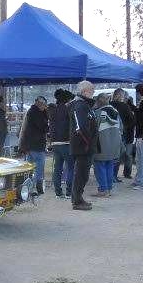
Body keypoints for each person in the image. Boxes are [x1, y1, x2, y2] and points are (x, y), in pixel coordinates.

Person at [69, 80, 99, 211]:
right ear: (84, 91)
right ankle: (76, 200)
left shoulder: (85, 105)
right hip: (82, 146)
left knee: (84, 174)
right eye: (91, 91)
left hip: (86, 146)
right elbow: (80, 127)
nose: (93, 93)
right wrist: (89, 142)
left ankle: (79, 198)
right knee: (81, 174)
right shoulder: (80, 105)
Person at [18, 96, 49, 195]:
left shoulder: (30, 112)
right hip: (37, 144)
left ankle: (27, 188)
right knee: (39, 167)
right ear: (39, 103)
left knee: (29, 168)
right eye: (44, 104)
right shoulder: (37, 113)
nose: (45, 106)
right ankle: (37, 187)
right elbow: (43, 127)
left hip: (28, 144)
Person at [92, 93, 121, 198]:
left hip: (101, 144)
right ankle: (108, 188)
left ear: (99, 101)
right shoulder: (116, 112)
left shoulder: (98, 113)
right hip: (114, 145)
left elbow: (93, 130)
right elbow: (120, 129)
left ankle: (103, 190)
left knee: (100, 166)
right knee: (109, 165)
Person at [49, 89, 74, 198]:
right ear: (67, 99)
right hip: (67, 142)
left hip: (55, 143)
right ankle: (69, 192)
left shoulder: (52, 110)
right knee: (71, 167)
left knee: (57, 168)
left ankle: (58, 193)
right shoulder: (69, 109)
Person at [110, 88, 136, 182]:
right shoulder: (124, 106)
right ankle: (115, 176)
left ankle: (111, 175)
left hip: (109, 133)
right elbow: (133, 121)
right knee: (120, 154)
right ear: (121, 96)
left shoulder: (109, 105)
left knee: (111, 154)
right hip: (123, 133)